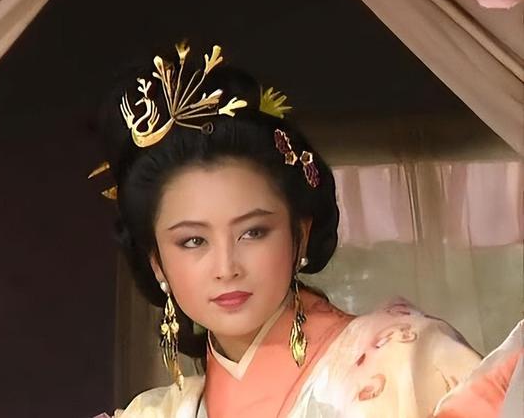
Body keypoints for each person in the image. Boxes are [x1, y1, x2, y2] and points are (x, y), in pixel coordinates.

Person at [91, 43, 522, 417]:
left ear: (300, 231)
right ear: (157, 263)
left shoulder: (406, 361)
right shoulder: (155, 413)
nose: (226, 267)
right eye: (193, 241)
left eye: (253, 232)